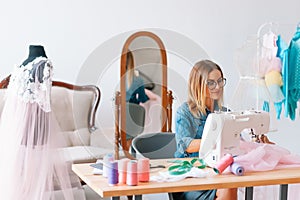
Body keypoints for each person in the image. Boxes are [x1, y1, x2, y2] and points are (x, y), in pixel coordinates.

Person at [0, 45, 85, 199]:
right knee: (35, 173)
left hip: (21, 128)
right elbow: (44, 99)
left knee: (25, 173)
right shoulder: (44, 64)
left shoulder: (21, 66)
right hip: (37, 126)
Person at [173, 60, 237, 200]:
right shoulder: (185, 112)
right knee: (228, 185)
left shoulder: (225, 113)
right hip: (190, 178)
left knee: (232, 183)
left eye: (220, 81)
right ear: (198, 85)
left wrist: (257, 141)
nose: (217, 86)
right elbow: (186, 145)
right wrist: (217, 142)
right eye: (211, 83)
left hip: (214, 173)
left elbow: (237, 141)